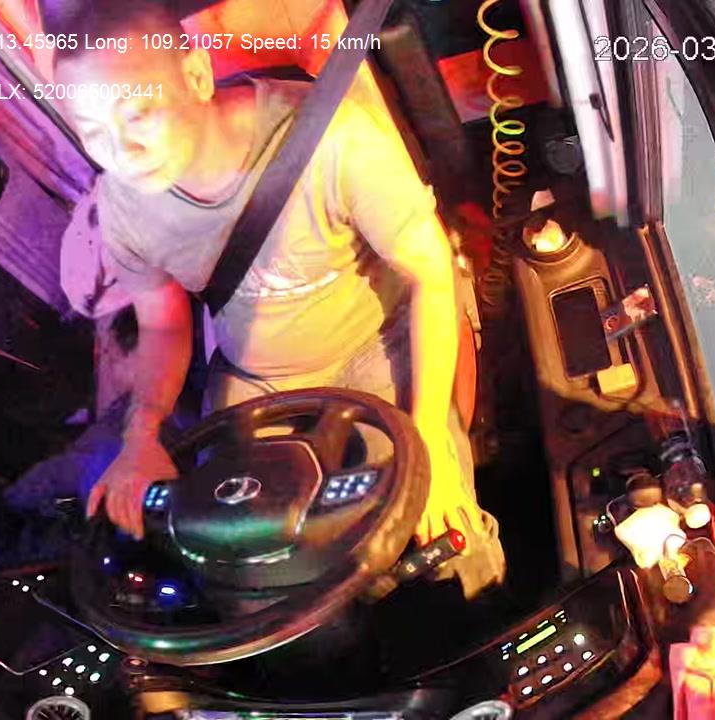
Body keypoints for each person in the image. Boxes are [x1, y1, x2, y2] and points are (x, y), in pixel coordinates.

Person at [33, 0, 504, 597]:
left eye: (139, 114)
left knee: (442, 544)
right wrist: (142, 432)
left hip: (374, 345)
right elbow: (164, 325)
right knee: (240, 570)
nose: (122, 152)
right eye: (94, 132)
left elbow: (431, 275)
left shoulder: (336, 139)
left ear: (196, 75)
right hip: (255, 380)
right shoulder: (123, 207)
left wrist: (428, 433)